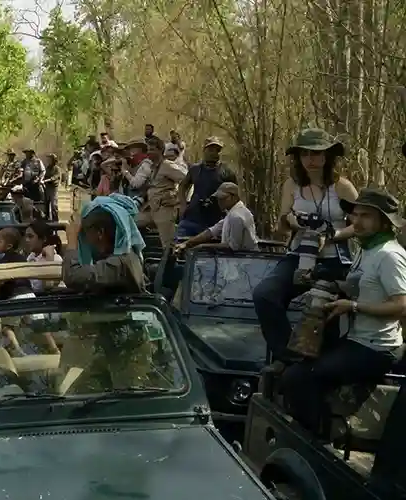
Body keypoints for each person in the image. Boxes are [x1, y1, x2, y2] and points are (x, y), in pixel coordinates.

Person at [279, 188, 406, 435]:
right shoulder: (367, 250)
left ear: (384, 223)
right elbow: (362, 285)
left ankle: (319, 440)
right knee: (294, 362)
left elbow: (402, 305)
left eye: (366, 216)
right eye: (355, 215)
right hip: (355, 338)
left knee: (299, 379)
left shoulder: (390, 256)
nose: (356, 221)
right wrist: (334, 286)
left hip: (376, 348)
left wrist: (354, 306)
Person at [252, 128, 358, 370]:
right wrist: (293, 221)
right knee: (265, 294)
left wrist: (332, 235)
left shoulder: (342, 187)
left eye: (317, 154)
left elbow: (360, 225)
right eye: (305, 154)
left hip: (334, 260)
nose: (311, 159)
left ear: (327, 157)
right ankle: (287, 356)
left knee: (325, 316)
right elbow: (282, 221)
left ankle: (321, 369)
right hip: (299, 255)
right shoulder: (292, 185)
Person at [63, 194, 146, 293]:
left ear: (100, 233)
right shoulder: (122, 256)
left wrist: (72, 241)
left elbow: (73, 277)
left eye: (86, 232)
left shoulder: (120, 264)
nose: (85, 240)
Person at [121, 136, 187, 247]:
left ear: (160, 151)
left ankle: (171, 263)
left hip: (164, 210)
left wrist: (178, 199)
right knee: (129, 221)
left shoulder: (167, 165)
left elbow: (186, 179)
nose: (149, 153)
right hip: (151, 208)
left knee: (168, 245)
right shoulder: (152, 167)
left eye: (152, 149)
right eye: (148, 150)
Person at [176, 137, 238, 238]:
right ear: (204, 150)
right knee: (177, 245)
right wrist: (183, 205)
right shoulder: (195, 169)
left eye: (217, 151)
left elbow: (235, 195)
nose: (214, 153)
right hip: (192, 218)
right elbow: (183, 186)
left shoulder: (226, 172)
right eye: (211, 150)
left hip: (215, 222)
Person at [174, 182, 259, 252]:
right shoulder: (234, 212)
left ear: (234, 197)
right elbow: (212, 231)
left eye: (223, 198)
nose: (220, 202)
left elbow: (232, 247)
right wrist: (187, 243)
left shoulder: (236, 216)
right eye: (218, 199)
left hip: (245, 262)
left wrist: (202, 247)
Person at [0, 227, 33, 300]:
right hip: (30, 294)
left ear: (9, 246)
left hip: (15, 297)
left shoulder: (2, 263)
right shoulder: (22, 258)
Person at [25, 220, 64, 292]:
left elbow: (49, 286)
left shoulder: (56, 259)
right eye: (26, 236)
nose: (26, 240)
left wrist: (49, 259)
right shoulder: (30, 257)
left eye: (30, 237)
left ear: (43, 239)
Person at [43, 153, 61, 221]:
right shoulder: (48, 168)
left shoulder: (57, 168)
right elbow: (45, 176)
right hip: (47, 188)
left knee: (54, 205)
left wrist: (46, 180)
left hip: (53, 188)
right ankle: (46, 218)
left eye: (50, 159)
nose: (48, 160)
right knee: (46, 204)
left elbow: (55, 177)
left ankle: (55, 221)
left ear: (54, 160)